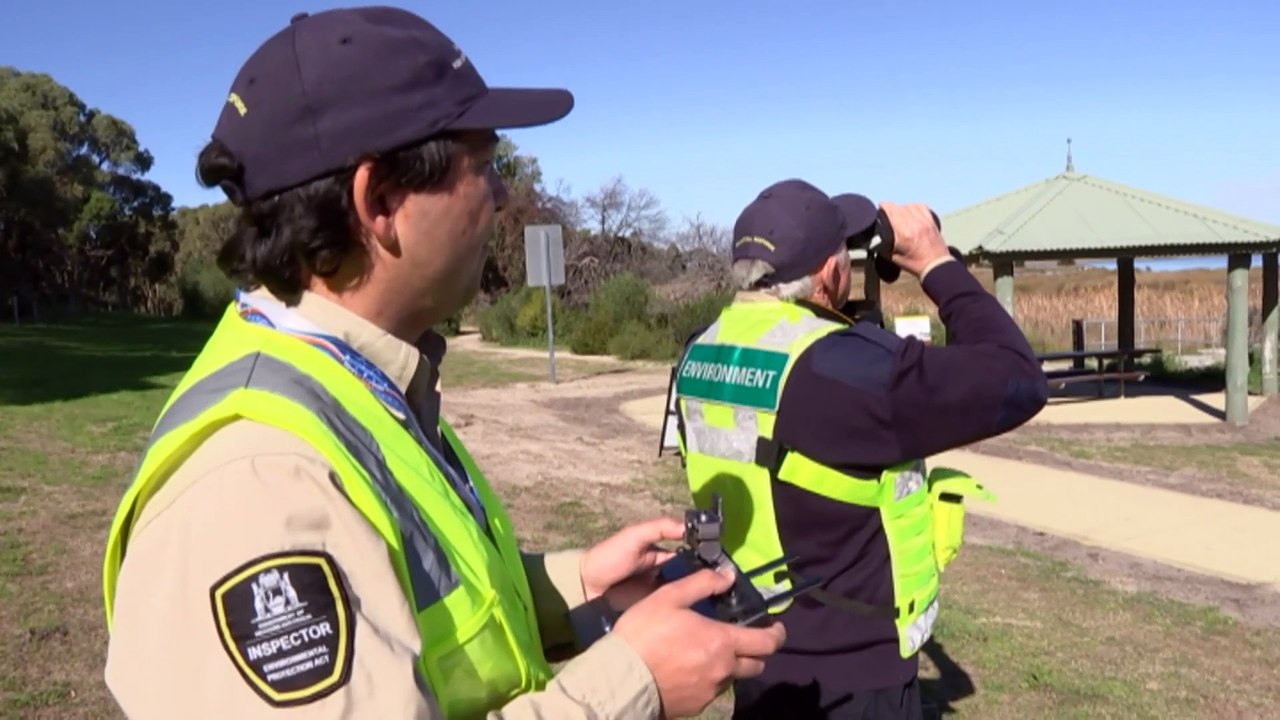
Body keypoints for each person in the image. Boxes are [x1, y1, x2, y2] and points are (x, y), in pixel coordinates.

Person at [100, 7, 785, 719]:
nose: (502, 195)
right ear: (381, 201)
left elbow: (417, 608)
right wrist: (633, 683)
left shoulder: (363, 383)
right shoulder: (260, 485)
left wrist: (579, 581)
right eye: (484, 166)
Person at [669, 179, 1049, 719]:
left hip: (756, 652)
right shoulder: (852, 373)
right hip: (853, 680)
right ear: (831, 273)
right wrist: (937, 264)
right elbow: (1018, 378)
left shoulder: (701, 352)